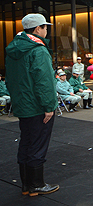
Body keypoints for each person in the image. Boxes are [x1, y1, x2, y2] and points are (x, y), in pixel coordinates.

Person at [5, 13, 59, 196]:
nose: (46, 30)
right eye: (45, 27)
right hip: (37, 107)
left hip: (23, 106)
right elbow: (44, 82)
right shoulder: (38, 49)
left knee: (26, 143)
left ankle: (26, 185)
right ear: (37, 29)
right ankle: (36, 184)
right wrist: (49, 107)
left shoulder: (14, 49)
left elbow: (11, 81)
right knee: (37, 145)